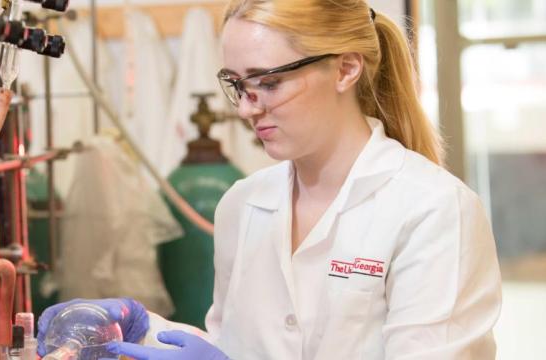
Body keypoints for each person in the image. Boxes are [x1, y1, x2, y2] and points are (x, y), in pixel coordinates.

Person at [36, 0, 503, 358]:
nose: (245, 107)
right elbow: (233, 348)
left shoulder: (433, 210)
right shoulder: (242, 203)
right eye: (237, 84)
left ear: (345, 68)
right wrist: (141, 328)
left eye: (269, 83)